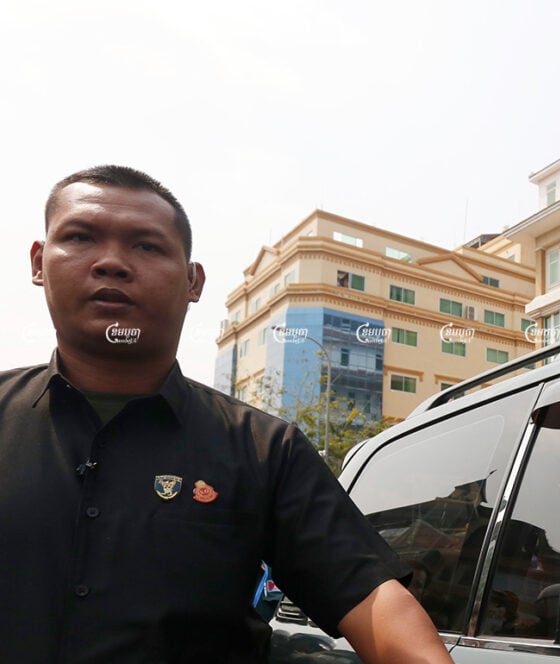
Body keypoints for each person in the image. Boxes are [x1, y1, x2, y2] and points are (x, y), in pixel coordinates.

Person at [0, 165, 453, 663]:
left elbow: (376, 605)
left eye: (147, 246)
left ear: (193, 282)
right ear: (40, 261)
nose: (112, 262)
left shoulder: (263, 449)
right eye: (81, 236)